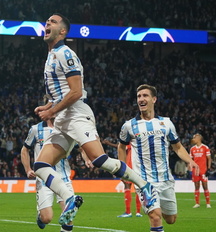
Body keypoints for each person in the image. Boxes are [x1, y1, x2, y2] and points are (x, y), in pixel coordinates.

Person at [33, 13, 157, 226]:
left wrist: (51, 112)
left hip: (77, 115)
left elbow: (76, 92)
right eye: (47, 22)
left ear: (62, 31)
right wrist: (49, 106)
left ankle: (143, 185)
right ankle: (69, 198)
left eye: (52, 22)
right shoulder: (51, 55)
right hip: (63, 118)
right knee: (41, 165)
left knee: (99, 159)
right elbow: (61, 93)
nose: (47, 24)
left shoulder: (65, 53)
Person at [118, 84, 199, 232]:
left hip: (165, 179)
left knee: (171, 219)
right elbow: (121, 147)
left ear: (154, 99)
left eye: (145, 96)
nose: (141, 99)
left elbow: (178, 147)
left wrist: (190, 160)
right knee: (155, 217)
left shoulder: (166, 123)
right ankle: (152, 208)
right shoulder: (129, 126)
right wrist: (123, 169)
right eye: (139, 96)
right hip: (143, 181)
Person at [21, 117, 80, 231]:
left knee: (69, 215)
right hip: (43, 179)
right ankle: (41, 217)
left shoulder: (66, 128)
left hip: (63, 177)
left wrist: (87, 159)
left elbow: (81, 147)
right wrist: (28, 169)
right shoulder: (36, 129)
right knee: (47, 218)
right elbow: (25, 149)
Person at [117, 145, 142, 218]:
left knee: (127, 186)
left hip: (129, 166)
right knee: (138, 188)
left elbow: (121, 148)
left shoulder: (129, 143)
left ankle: (128, 212)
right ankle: (138, 212)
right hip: (138, 167)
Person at [189, 133, 212, 208]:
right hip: (195, 171)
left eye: (195, 138)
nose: (193, 139)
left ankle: (208, 203)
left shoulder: (205, 147)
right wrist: (190, 166)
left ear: (199, 139)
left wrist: (208, 169)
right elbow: (190, 159)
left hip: (203, 170)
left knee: (205, 186)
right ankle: (197, 203)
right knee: (196, 186)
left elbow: (209, 158)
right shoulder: (192, 149)